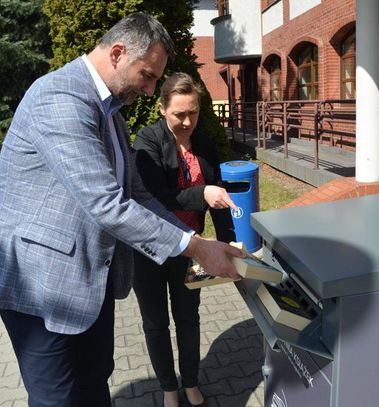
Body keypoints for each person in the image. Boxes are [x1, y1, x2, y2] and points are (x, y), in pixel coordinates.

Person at [0, 13, 242, 407]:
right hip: (40, 288)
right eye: (149, 75)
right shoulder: (61, 97)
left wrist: (195, 238)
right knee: (58, 399)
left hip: (89, 283)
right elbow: (107, 203)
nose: (151, 87)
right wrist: (197, 249)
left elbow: (137, 194)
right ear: (118, 52)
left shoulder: (110, 113)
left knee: (94, 386)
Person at [132, 73, 237, 407]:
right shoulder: (146, 142)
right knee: (156, 323)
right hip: (149, 249)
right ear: (163, 109)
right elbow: (157, 196)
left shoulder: (204, 143)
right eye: (179, 114)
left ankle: (190, 381)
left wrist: (227, 242)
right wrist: (202, 193)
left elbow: (217, 197)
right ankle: (167, 387)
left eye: (193, 112)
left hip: (194, 250)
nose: (187, 121)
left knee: (189, 318)